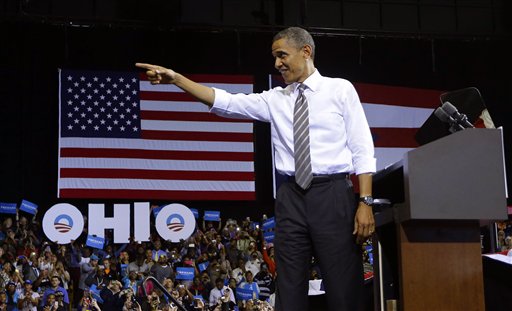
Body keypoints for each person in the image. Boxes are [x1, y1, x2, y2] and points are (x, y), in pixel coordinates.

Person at [136, 26, 376, 311]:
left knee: (343, 288)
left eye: (282, 55)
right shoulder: (275, 98)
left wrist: (365, 201)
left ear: (306, 52)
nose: (277, 63)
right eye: (274, 57)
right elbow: (225, 102)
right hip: (290, 198)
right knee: (288, 288)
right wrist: (177, 79)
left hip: (333, 194)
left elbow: (362, 147)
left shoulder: (340, 89)